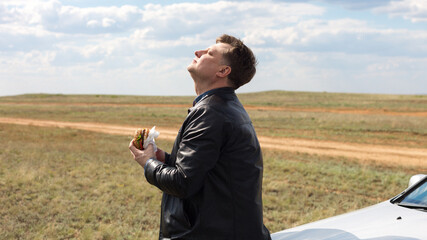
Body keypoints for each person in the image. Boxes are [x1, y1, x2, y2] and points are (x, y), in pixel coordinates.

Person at [129, 34, 271, 240]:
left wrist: (148, 162)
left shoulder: (211, 112)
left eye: (209, 53)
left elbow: (182, 182)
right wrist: (164, 159)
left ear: (223, 71)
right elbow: (206, 171)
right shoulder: (223, 107)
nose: (198, 52)